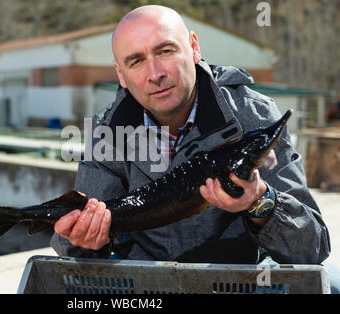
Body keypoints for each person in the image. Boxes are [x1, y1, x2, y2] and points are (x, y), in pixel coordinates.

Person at [51, 4, 332, 284]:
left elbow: (312, 248)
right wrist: (81, 240)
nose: (155, 73)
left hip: (240, 281)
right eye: (136, 61)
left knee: (332, 284)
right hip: (145, 286)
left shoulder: (254, 115)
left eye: (166, 51)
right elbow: (75, 259)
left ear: (194, 48)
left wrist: (261, 200)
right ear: (121, 74)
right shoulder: (108, 132)